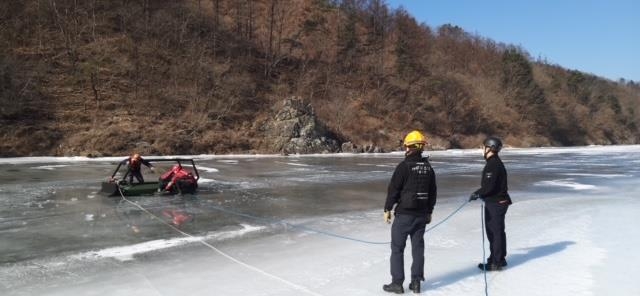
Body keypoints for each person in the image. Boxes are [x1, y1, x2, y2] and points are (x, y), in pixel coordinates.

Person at [383, 130, 437, 294]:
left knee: (397, 249)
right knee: (418, 248)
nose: (405, 149)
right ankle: (416, 282)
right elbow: (432, 192)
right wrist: (429, 211)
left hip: (404, 216)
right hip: (421, 216)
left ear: (410, 147)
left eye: (406, 146)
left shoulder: (403, 166)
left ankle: (397, 283)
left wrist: (388, 208)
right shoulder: (428, 168)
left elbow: (393, 190)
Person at [469, 136, 512, 271]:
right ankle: (500, 258)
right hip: (498, 202)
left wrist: (477, 193)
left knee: (494, 232)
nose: (482, 150)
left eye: (484, 147)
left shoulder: (493, 164)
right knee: (498, 231)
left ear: (490, 148)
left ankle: (496, 261)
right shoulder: (495, 163)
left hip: (496, 203)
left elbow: (489, 187)